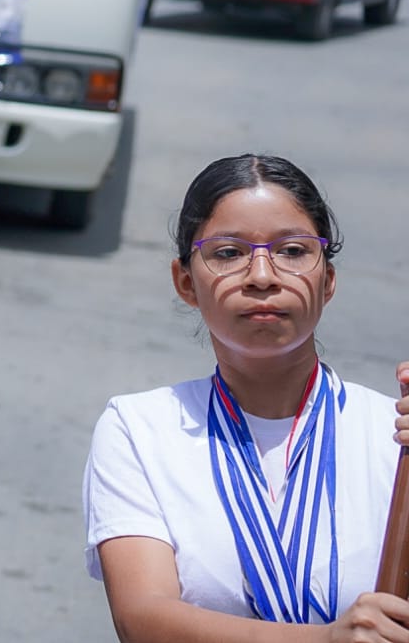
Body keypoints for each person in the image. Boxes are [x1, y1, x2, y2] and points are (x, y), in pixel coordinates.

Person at [84, 153, 409, 641]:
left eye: (293, 251)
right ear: (186, 282)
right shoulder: (139, 428)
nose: (262, 276)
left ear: (329, 280)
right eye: (229, 252)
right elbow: (143, 619)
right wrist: (325, 640)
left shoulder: (393, 434)